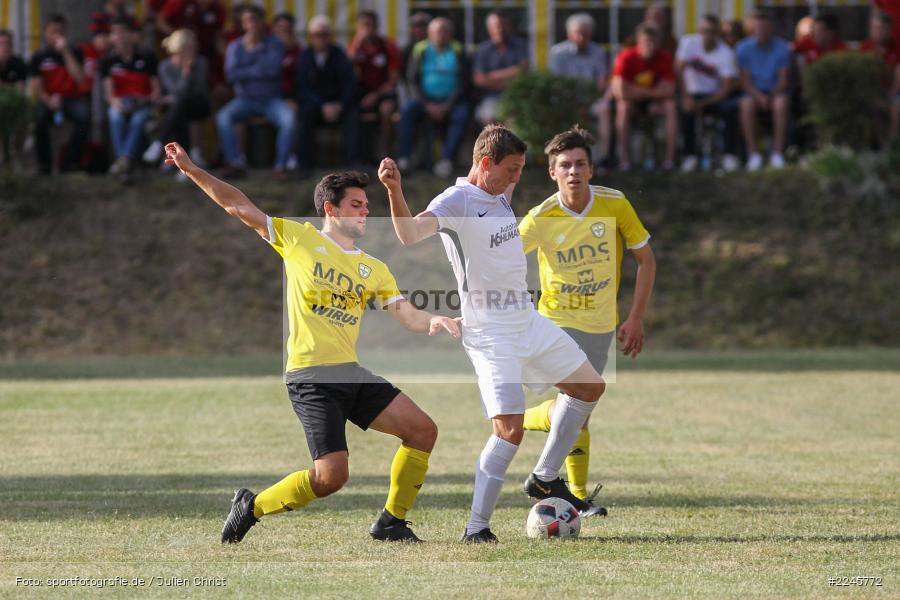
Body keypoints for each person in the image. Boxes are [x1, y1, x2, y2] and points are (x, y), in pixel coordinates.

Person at [162, 141, 460, 545]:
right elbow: (237, 205)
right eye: (356, 204)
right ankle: (251, 506)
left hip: (350, 373)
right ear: (330, 209)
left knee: (423, 431)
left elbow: (407, 315)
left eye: (365, 204)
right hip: (310, 378)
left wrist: (435, 319)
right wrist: (192, 168)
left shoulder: (373, 268)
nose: (365, 211)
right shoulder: (299, 239)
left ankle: (392, 522)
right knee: (330, 479)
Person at [378, 124, 606, 543]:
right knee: (509, 431)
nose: (518, 178)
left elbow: (499, 152)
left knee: (589, 386)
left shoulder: (500, 190)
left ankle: (544, 477)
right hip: (489, 332)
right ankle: (476, 528)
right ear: (485, 165)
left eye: (520, 169)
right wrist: (395, 190)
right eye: (512, 169)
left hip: (526, 319)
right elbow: (409, 234)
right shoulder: (457, 200)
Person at [519, 125, 655, 514]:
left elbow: (646, 259)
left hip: (601, 325)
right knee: (579, 398)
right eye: (565, 165)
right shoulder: (540, 216)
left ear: (591, 170)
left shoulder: (614, 204)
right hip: (555, 324)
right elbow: (504, 260)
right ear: (552, 172)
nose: (573, 171)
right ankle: (543, 470)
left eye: (580, 164)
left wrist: (635, 317)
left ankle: (570, 491)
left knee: (581, 408)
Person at [217, 4, 295, 178]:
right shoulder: (235, 47)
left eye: (254, 19)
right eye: (246, 20)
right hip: (245, 100)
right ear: (243, 24)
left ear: (261, 22)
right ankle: (235, 163)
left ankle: (281, 166)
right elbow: (231, 75)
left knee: (289, 119)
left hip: (271, 99)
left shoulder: (275, 44)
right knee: (223, 117)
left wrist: (246, 70)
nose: (250, 24)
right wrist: (259, 69)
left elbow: (273, 70)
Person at [397, 17, 471, 178]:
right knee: (407, 111)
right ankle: (404, 158)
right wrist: (426, 104)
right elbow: (412, 80)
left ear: (451, 34)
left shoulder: (458, 50)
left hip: (451, 101)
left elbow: (464, 82)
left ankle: (446, 160)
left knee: (462, 115)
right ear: (430, 33)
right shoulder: (420, 49)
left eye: (445, 31)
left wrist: (448, 104)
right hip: (425, 100)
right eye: (438, 31)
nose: (441, 35)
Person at [295, 15, 361, 175]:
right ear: (311, 37)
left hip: (339, 104)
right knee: (304, 116)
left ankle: (355, 163)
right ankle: (304, 164)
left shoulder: (339, 55)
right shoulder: (305, 57)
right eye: (317, 35)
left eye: (324, 35)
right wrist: (322, 105)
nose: (321, 39)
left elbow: (349, 84)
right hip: (316, 105)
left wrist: (339, 105)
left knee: (354, 116)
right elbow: (303, 88)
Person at [675, 14, 740, 172]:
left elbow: (726, 88)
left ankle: (728, 154)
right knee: (684, 111)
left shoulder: (726, 53)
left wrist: (702, 103)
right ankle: (689, 155)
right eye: (703, 31)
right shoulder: (688, 43)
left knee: (730, 109)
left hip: (714, 96)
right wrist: (686, 97)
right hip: (690, 93)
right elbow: (678, 71)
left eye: (711, 31)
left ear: (717, 33)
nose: (706, 35)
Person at [142, 29, 210, 174]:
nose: (193, 50)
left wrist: (187, 72)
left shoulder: (201, 63)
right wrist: (185, 75)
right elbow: (174, 90)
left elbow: (195, 91)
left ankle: (160, 143)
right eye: (189, 48)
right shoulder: (165, 66)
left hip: (199, 104)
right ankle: (186, 164)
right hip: (177, 107)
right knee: (180, 110)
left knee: (181, 105)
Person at [611, 22, 677, 171]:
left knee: (670, 106)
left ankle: (669, 160)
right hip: (633, 102)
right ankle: (625, 161)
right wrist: (654, 91)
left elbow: (669, 90)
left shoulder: (664, 57)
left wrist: (635, 90)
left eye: (653, 41)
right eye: (647, 41)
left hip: (654, 103)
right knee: (623, 107)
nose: (650, 45)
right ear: (639, 41)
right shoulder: (626, 56)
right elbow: (619, 91)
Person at [549, 13, 612, 168]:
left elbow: (602, 81)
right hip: (566, 100)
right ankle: (560, 157)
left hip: (592, 99)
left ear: (591, 34)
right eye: (577, 33)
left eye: (585, 33)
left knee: (604, 110)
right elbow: (557, 84)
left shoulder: (598, 52)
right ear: (569, 33)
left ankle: (604, 158)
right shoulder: (558, 53)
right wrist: (574, 103)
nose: (581, 37)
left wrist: (588, 101)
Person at [30, 14, 89, 174]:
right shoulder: (39, 56)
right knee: (38, 120)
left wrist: (65, 53)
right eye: (53, 31)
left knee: (84, 118)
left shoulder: (75, 52)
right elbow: (36, 87)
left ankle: (70, 162)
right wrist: (49, 101)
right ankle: (45, 164)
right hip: (48, 100)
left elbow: (80, 78)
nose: (57, 35)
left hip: (70, 99)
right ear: (46, 33)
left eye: (60, 31)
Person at [101, 17, 160, 176]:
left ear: (131, 35)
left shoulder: (147, 57)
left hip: (143, 104)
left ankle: (123, 160)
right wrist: (117, 103)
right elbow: (109, 94)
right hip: (120, 102)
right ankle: (125, 161)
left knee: (138, 119)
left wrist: (145, 100)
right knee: (115, 116)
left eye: (122, 32)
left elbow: (156, 91)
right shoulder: (108, 60)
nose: (118, 37)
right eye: (114, 33)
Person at [736, 10, 791, 171]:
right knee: (746, 105)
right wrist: (759, 96)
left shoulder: (782, 48)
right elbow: (744, 81)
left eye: (765, 27)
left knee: (781, 104)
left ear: (771, 28)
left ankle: (777, 153)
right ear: (753, 29)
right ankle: (754, 154)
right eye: (758, 28)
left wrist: (769, 96)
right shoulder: (743, 48)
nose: (762, 31)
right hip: (753, 92)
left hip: (775, 91)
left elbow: (783, 81)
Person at [347, 10, 401, 160]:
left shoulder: (388, 46)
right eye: (364, 25)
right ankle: (356, 157)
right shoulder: (354, 46)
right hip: (360, 93)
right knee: (350, 111)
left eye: (371, 25)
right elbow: (346, 72)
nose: (368, 29)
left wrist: (375, 95)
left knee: (386, 110)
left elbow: (393, 79)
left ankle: (385, 154)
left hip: (382, 93)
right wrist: (357, 45)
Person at [471, 11, 528, 125]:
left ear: (509, 26)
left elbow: (523, 70)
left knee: (516, 121)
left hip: (516, 95)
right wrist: (511, 73)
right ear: (489, 28)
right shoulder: (483, 50)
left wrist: (491, 76)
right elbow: (479, 79)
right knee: (489, 120)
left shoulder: (521, 46)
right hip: (490, 97)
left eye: (503, 25)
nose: (500, 29)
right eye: (496, 26)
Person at [861, 13, 900, 143]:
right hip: (873, 93)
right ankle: (883, 147)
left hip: (894, 93)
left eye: (882, 28)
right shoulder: (866, 48)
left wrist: (890, 96)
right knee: (874, 107)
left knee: (896, 108)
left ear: (890, 30)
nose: (879, 32)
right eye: (875, 28)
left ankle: (892, 147)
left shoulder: (897, 48)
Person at [0, 29, 28, 167]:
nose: (4, 47)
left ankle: (16, 155)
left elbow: (20, 91)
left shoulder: (18, 64)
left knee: (23, 118)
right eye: (1, 44)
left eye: (7, 44)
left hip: (12, 107)